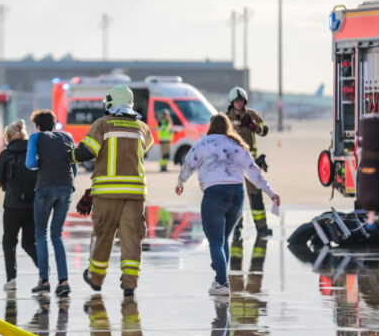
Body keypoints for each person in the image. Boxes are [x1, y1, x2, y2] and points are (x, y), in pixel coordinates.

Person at [175, 113, 279, 295]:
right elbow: (254, 172)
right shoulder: (238, 145)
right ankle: (219, 278)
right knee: (224, 239)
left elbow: (189, 163)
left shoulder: (204, 142)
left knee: (215, 242)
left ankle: (222, 283)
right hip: (237, 195)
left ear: (211, 127)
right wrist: (270, 192)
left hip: (215, 194)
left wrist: (180, 182)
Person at [70, 84, 154, 297]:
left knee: (103, 236)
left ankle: (96, 279)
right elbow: (146, 149)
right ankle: (130, 284)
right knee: (132, 238)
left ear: (109, 103)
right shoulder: (142, 128)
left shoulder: (102, 124)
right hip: (136, 194)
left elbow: (86, 152)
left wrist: (68, 156)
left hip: (106, 193)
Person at [26, 109, 76, 297]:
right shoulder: (67, 136)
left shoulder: (36, 137)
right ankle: (64, 281)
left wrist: (45, 162)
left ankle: (44, 281)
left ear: (38, 126)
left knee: (41, 234)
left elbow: (30, 164)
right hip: (66, 186)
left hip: (45, 186)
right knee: (57, 235)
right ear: (55, 124)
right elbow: (74, 165)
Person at [226, 86, 272, 243]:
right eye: (236, 101)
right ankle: (236, 228)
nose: (239, 103)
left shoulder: (252, 114)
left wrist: (253, 126)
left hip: (250, 164)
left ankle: (262, 228)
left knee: (256, 196)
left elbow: (265, 131)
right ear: (232, 102)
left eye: (241, 100)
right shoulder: (226, 118)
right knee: (235, 198)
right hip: (234, 165)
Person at [0, 119, 39, 291]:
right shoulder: (33, 151)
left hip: (12, 206)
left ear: (8, 137)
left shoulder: (5, 155)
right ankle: (43, 269)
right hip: (33, 205)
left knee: (9, 242)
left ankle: (11, 279)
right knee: (29, 243)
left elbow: (2, 180)